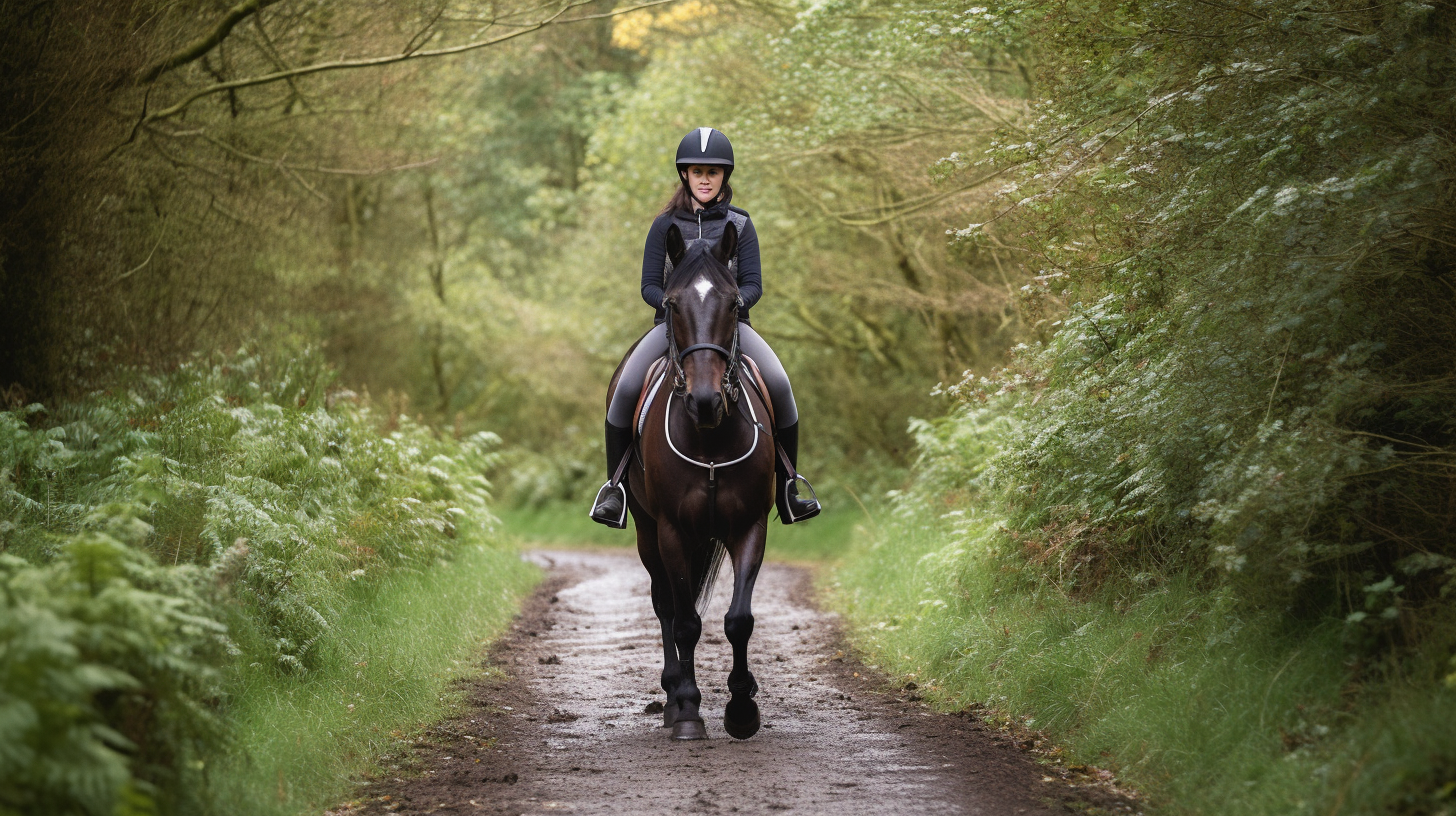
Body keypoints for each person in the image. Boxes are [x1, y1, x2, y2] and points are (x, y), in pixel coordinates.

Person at [590, 127, 820, 528]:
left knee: (780, 385)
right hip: (673, 329)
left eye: (713, 172)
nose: (705, 179)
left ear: (724, 177)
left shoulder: (741, 224)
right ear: (685, 175)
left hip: (729, 329)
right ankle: (616, 490)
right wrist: (680, 308)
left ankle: (788, 487)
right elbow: (648, 285)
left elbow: (753, 284)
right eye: (697, 171)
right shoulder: (664, 226)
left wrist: (724, 307)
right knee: (625, 388)